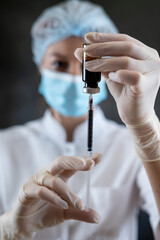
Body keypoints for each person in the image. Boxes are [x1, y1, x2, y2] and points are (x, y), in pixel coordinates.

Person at [0, 0, 160, 239]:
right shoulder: (5, 146)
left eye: (87, 66)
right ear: (39, 67)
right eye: (58, 63)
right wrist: (9, 230)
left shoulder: (131, 146)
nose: (76, 76)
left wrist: (148, 133)